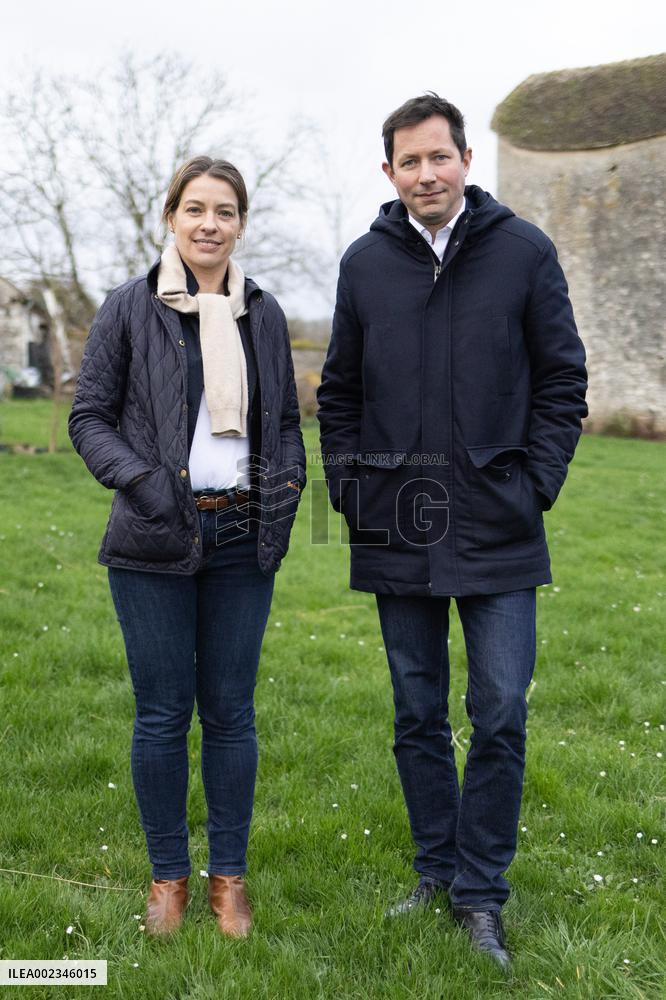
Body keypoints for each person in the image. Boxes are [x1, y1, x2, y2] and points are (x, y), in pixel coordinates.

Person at [317, 94, 587, 967]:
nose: (426, 174)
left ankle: (482, 895)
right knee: (416, 711)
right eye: (409, 161)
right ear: (388, 171)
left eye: (440, 157)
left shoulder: (523, 252)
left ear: (466, 159)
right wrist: (354, 494)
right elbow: (340, 395)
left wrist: (536, 483)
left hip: (499, 523)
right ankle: (435, 871)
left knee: (501, 710)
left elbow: (562, 380)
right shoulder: (364, 264)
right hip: (397, 521)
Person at [69, 156, 305, 938]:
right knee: (163, 714)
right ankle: (168, 878)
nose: (210, 224)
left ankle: (228, 880)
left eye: (226, 211)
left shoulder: (263, 315)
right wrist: (141, 482)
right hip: (153, 534)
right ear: (170, 217)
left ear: (241, 223)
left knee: (232, 713)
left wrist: (283, 498)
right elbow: (89, 417)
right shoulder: (129, 309)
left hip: (242, 533)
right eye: (196, 208)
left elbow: (287, 428)